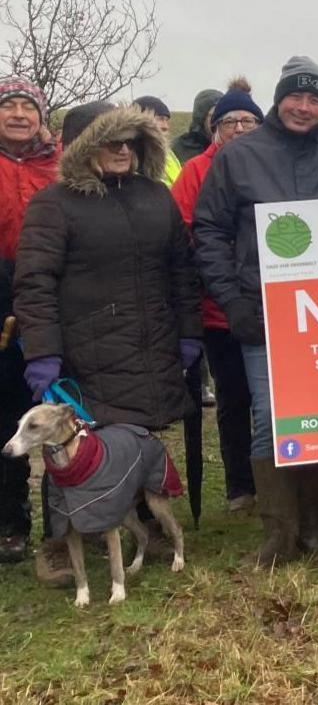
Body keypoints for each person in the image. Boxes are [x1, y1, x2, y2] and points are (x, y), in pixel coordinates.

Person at [13, 104, 203, 577]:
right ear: (82, 147)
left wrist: (189, 332)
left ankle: (141, 521)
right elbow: (34, 282)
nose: (122, 150)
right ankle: (58, 541)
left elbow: (181, 271)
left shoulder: (156, 198)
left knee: (133, 439)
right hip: (85, 345)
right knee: (68, 445)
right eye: (111, 141)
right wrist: (43, 353)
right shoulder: (53, 205)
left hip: (150, 339)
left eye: (129, 142)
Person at [194, 56, 318, 565]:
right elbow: (210, 230)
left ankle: (312, 529)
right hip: (261, 312)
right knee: (270, 416)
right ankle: (278, 535)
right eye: (297, 96)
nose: (305, 107)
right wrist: (232, 300)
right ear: (279, 98)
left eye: (316, 100)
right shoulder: (239, 156)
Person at [171, 78, 263, 513]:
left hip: (274, 306)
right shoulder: (195, 172)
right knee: (232, 397)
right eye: (230, 121)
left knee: (273, 397)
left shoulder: (271, 165)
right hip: (218, 308)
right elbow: (187, 232)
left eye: (248, 120)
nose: (240, 129)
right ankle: (240, 486)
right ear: (214, 128)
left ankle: (277, 478)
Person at [0, 76, 59, 567]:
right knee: (4, 413)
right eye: (10, 106)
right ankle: (10, 523)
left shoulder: (58, 165)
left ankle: (64, 524)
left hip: (48, 290)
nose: (19, 114)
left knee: (53, 410)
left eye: (27, 107)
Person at [133, 95, 182, 186]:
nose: (165, 126)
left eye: (167, 120)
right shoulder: (132, 156)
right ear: (142, 120)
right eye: (160, 119)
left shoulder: (169, 154)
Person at [171, 87, 223, 163]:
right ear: (201, 118)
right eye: (214, 116)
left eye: (223, 116)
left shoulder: (229, 147)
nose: (219, 121)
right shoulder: (179, 149)